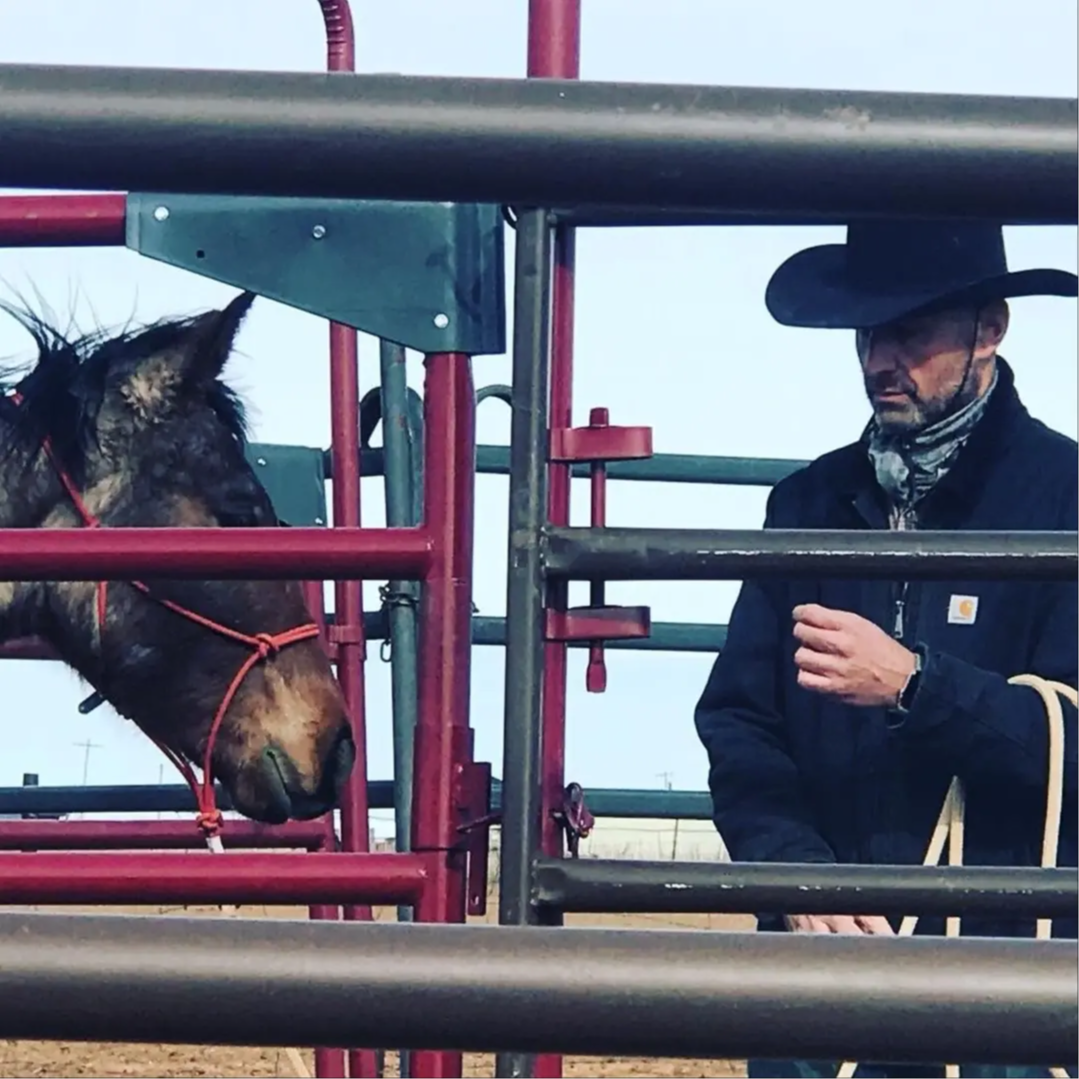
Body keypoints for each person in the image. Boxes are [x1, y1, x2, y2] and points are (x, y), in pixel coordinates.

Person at [693, 220, 1078, 1079]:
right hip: (821, 984)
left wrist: (914, 686)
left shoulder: (1066, 496)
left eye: (910, 329)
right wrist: (794, 876)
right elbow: (739, 720)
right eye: (867, 333)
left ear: (990, 329)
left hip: (1004, 985)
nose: (878, 358)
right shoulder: (806, 501)